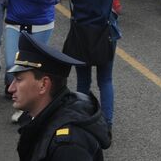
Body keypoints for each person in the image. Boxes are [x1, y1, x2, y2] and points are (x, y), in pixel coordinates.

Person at [52, 0, 141, 128]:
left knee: (83, 82)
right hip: (103, 34)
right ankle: (107, 123)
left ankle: (82, 118)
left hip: (80, 35)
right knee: (105, 80)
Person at [7, 32, 110, 160]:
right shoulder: (41, 118)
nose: (11, 88)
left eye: (19, 79)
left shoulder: (68, 147)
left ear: (43, 85)